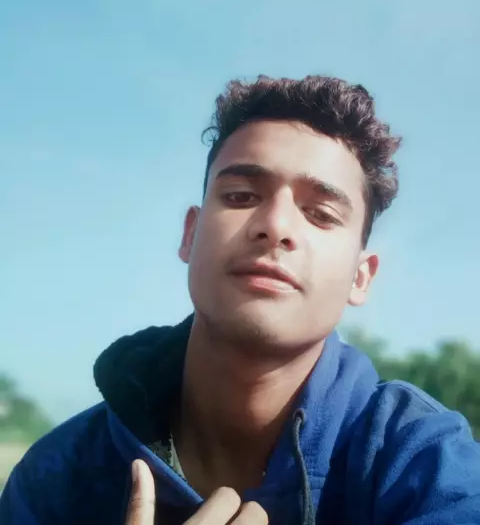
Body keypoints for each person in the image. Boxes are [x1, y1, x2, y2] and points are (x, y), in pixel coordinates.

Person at [1, 75, 479, 525]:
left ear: (360, 276)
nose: (276, 225)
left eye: (320, 213)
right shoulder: (56, 479)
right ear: (190, 234)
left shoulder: (425, 465)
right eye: (241, 196)